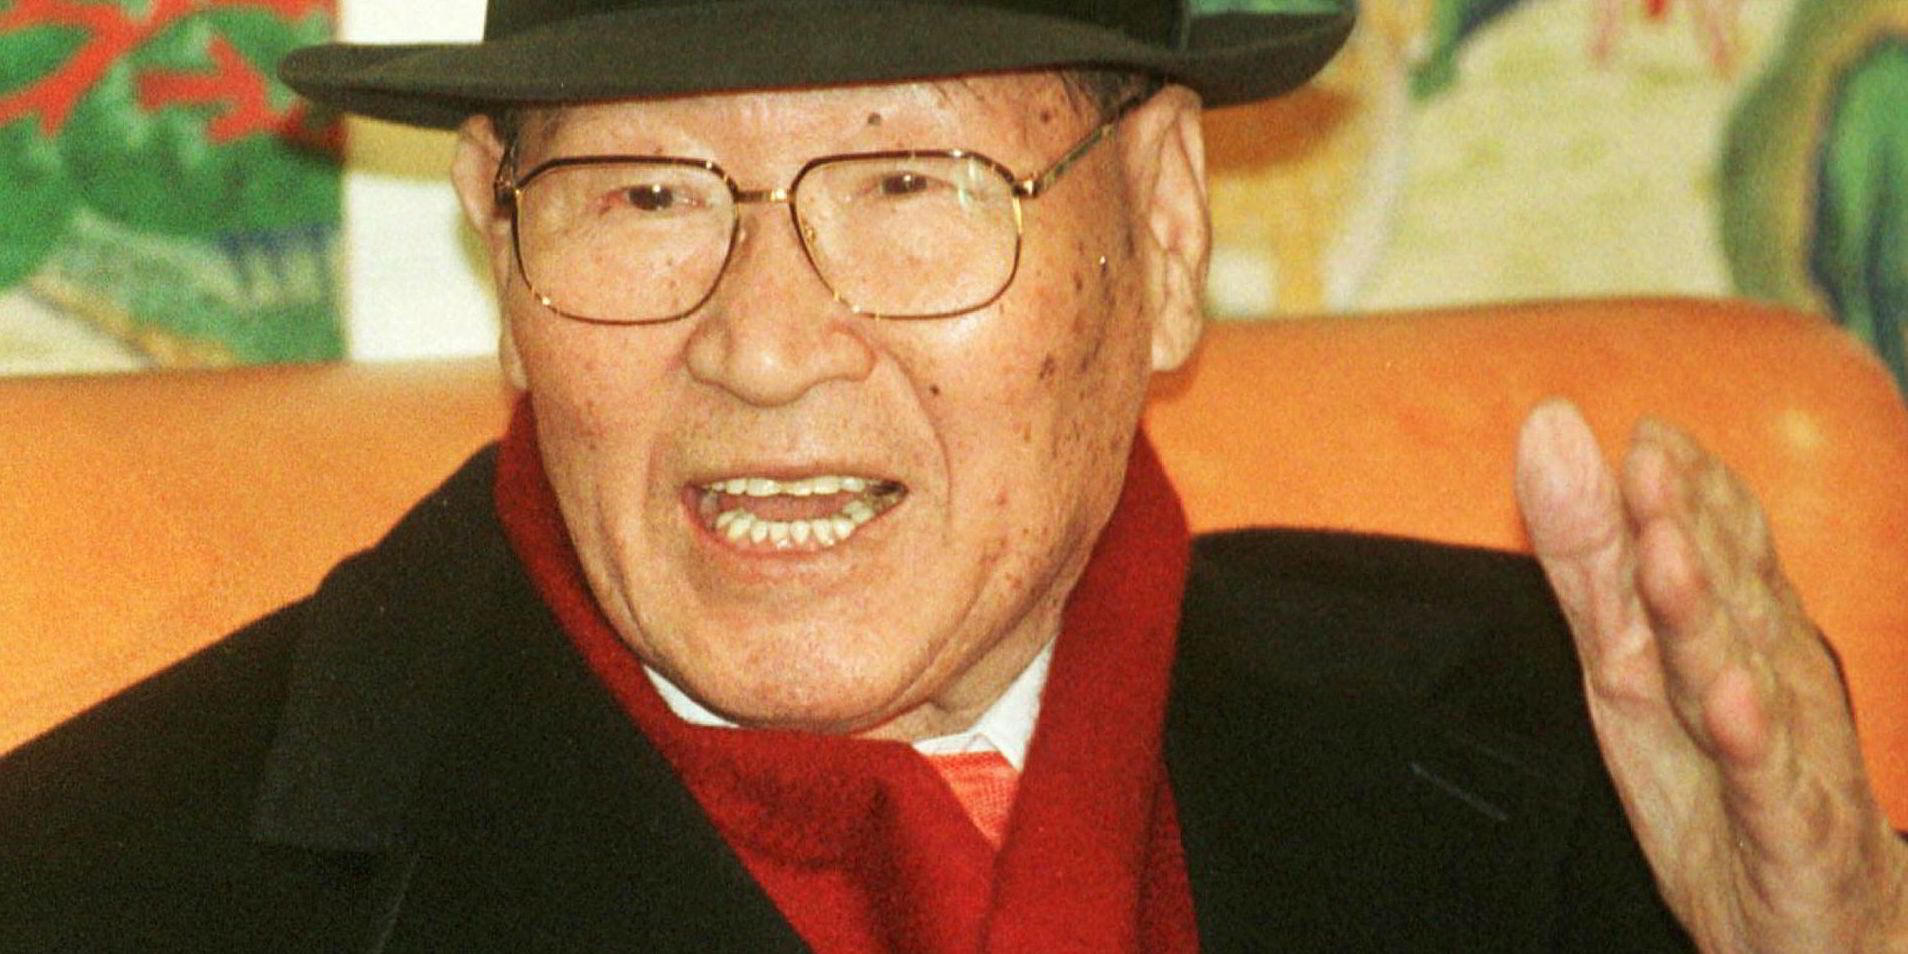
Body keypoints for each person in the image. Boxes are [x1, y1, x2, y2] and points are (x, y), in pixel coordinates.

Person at [3, 0, 1903, 950]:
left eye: (914, 186)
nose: (764, 345)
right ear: (502, 241)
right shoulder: (95, 887)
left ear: (1165, 230)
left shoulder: (1574, 759)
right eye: (644, 197)